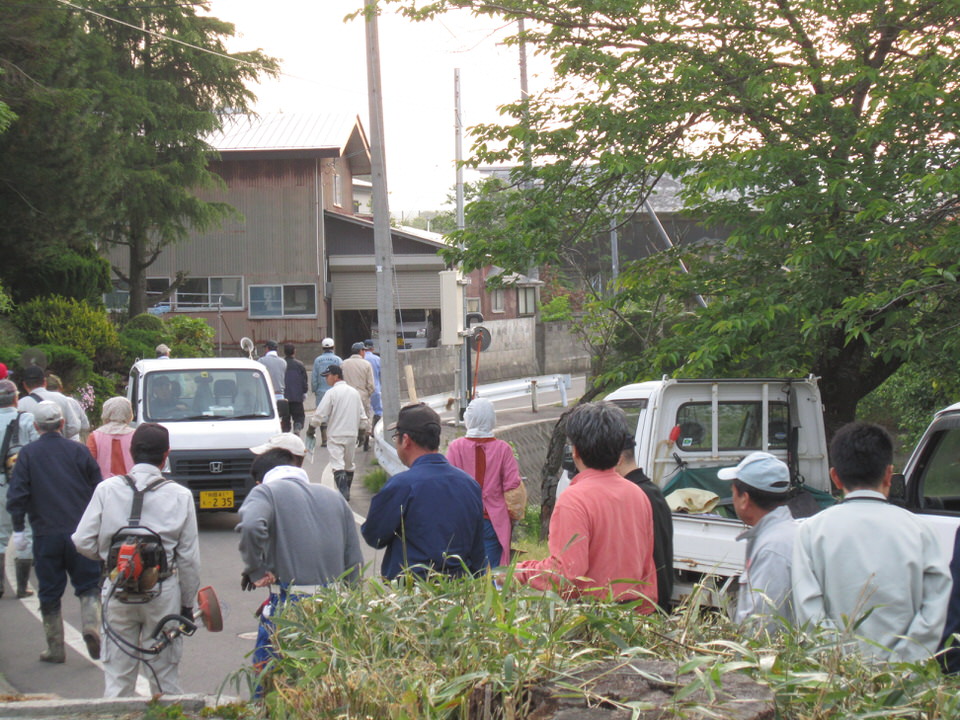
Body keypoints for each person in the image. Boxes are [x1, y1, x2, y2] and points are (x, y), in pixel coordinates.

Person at [792, 422, 951, 662]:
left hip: (836, 682)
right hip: (909, 685)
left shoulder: (811, 532)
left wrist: (844, 666)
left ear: (834, 476)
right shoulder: (921, 531)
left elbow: (808, 611)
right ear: (889, 474)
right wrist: (902, 664)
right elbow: (935, 610)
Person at [73, 423, 200, 696]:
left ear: (131, 452)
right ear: (166, 455)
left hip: (117, 589)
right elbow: (189, 559)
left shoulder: (107, 490)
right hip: (162, 593)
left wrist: (110, 560)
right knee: (165, 678)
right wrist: (187, 605)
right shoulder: (180, 495)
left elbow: (81, 540)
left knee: (118, 679)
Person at [236, 433, 363, 685]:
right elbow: (355, 563)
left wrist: (256, 569)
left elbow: (250, 525)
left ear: (262, 478)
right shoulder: (334, 498)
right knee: (325, 685)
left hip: (290, 606)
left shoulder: (266, 493)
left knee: (275, 684)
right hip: (333, 606)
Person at [513, 402, 658, 611]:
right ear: (620, 451)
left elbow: (565, 575)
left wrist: (520, 572)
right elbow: (647, 569)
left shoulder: (574, 500)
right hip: (632, 615)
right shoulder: (637, 494)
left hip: (591, 617)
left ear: (575, 452)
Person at [7, 401, 102, 663]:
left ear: (36, 427)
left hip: (45, 533)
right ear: (62, 424)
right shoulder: (79, 451)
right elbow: (99, 489)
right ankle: (92, 626)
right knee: (89, 586)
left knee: (49, 591)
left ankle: (55, 647)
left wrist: (18, 530)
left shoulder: (27, 455)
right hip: (80, 533)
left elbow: (17, 495)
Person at [361, 403, 485, 580]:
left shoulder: (401, 486)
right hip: (459, 591)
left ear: (406, 440)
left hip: (411, 592)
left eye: (396, 437)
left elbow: (374, 536)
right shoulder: (470, 485)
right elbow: (478, 553)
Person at [718, 451, 797, 634]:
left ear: (744, 499)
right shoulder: (784, 534)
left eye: (733, 492)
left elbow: (762, 627)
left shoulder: (772, 549)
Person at [446, 398, 523, 568]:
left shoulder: (455, 447)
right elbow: (513, 488)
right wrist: (514, 516)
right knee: (492, 573)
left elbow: (448, 487)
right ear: (491, 419)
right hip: (494, 521)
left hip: (463, 519)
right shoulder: (503, 449)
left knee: (462, 570)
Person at [615, 437, 674, 610]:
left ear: (618, 460)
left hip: (643, 603)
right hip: (662, 597)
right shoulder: (654, 491)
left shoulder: (632, 497)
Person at [0, 379, 39, 599]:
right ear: (16, 398)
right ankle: (22, 585)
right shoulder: (26, 419)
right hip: (21, 482)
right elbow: (36, 450)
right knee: (25, 531)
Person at [307, 365, 366, 501]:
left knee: (337, 464)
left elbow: (320, 414)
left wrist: (311, 428)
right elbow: (362, 416)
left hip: (335, 435)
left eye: (328, 376)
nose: (326, 379)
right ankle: (346, 491)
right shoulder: (354, 393)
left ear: (336, 376)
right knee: (349, 464)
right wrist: (362, 431)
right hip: (352, 434)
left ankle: (343, 492)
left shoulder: (331, 393)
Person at [17, 365, 83, 442]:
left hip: (34, 451)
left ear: (24, 385)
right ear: (45, 382)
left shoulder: (20, 404)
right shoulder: (61, 398)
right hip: (60, 447)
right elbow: (74, 427)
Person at [86, 397, 135, 480]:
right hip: (132, 484)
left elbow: (89, 464)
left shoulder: (94, 436)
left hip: (103, 485)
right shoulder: (136, 435)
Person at [341, 342, 375, 451]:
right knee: (365, 416)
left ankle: (349, 442)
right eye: (364, 350)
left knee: (348, 417)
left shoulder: (344, 364)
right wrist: (368, 393)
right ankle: (365, 439)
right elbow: (371, 384)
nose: (365, 352)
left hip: (347, 395)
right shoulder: (366, 364)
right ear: (361, 351)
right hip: (362, 395)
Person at [311, 338, 342, 446]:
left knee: (322, 414)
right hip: (335, 390)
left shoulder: (317, 360)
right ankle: (334, 437)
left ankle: (324, 438)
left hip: (321, 391)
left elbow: (314, 376)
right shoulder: (338, 360)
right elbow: (341, 374)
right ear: (333, 347)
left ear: (323, 347)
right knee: (335, 413)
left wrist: (314, 389)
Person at [45, 374, 90, 441]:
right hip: (72, 442)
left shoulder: (41, 403)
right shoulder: (71, 401)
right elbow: (85, 425)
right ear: (60, 387)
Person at [259, 340, 288, 430]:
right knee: (279, 420)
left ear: (267, 349)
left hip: (266, 395)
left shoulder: (261, 361)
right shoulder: (283, 362)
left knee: (266, 420)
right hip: (280, 394)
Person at [282, 343, 308, 435]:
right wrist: (304, 392)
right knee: (299, 416)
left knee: (285, 417)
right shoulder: (299, 365)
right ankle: (297, 427)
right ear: (294, 351)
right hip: (297, 396)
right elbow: (304, 380)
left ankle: (285, 433)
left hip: (283, 397)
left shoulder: (282, 364)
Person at [363, 339, 383, 427]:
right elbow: (381, 374)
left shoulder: (361, 359)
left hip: (363, 389)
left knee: (364, 411)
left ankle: (365, 431)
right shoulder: (377, 359)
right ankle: (374, 430)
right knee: (378, 410)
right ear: (373, 349)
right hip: (375, 388)